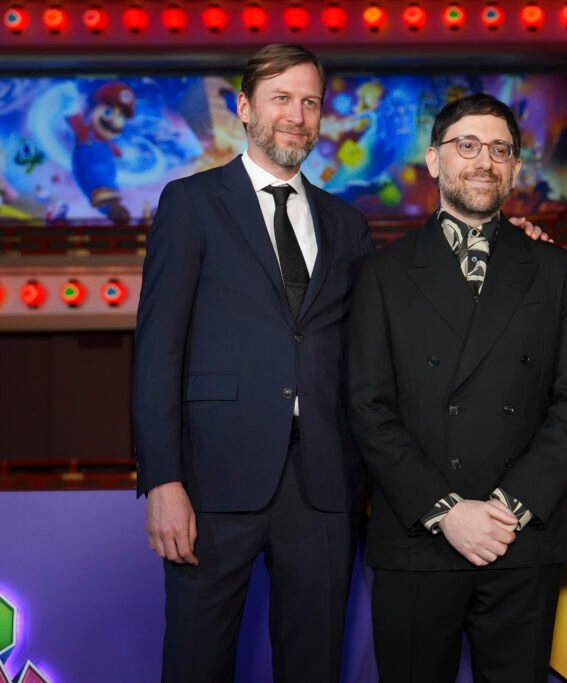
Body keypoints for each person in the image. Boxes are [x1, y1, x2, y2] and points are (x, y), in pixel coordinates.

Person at [132, 44, 373, 681]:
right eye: (282, 98)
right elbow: (158, 349)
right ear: (244, 108)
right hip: (211, 483)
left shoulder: (349, 226)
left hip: (325, 487)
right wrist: (162, 481)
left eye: (311, 102)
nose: (297, 115)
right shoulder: (190, 204)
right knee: (196, 662)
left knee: (313, 664)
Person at [346, 93, 567, 683]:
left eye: (499, 149)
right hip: (420, 536)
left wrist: (508, 509)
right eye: (466, 145)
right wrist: (447, 512)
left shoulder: (555, 269)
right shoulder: (382, 273)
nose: (483, 160)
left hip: (521, 536)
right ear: (434, 161)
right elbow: (367, 406)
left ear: (515, 167)